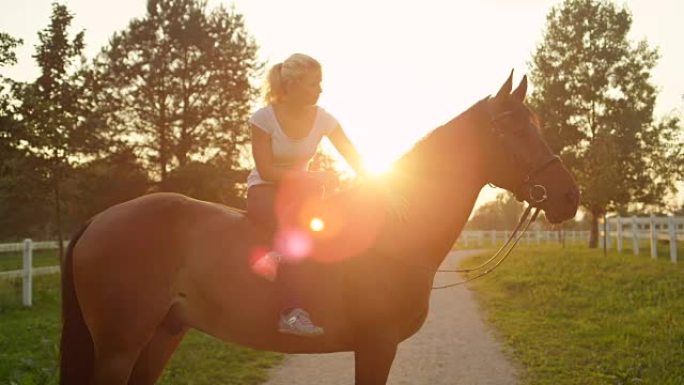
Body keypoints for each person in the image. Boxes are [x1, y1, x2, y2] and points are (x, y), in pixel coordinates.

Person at [246, 53, 366, 337]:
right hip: (264, 190)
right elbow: (266, 170)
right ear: (292, 85)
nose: (321, 90)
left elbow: (353, 156)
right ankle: (290, 314)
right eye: (314, 84)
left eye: (320, 83)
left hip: (300, 194)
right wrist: (310, 177)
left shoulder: (323, 119)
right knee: (299, 237)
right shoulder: (263, 118)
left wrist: (377, 183)